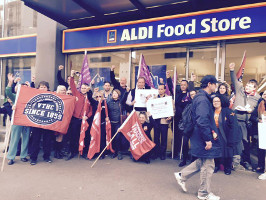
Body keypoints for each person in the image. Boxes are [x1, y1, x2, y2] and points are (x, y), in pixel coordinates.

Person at [174, 75, 222, 200]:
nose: (216, 86)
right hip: (202, 135)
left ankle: (182, 175)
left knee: (202, 161)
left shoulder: (201, 97)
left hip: (198, 134)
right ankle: (203, 193)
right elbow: (202, 120)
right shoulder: (202, 100)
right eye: (215, 84)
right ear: (210, 84)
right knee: (209, 164)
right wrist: (207, 139)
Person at [229, 62, 260, 170]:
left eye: (250, 86)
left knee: (245, 142)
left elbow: (257, 110)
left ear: (254, 89)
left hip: (245, 123)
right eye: (247, 85)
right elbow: (234, 80)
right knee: (232, 141)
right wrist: (232, 70)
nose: (247, 87)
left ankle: (246, 161)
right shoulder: (240, 89)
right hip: (234, 120)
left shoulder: (257, 97)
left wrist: (251, 110)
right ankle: (232, 162)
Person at [167, 72, 195, 159]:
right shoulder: (177, 94)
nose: (182, 86)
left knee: (184, 137)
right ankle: (175, 151)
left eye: (184, 85)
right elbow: (171, 88)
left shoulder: (189, 95)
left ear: (187, 86)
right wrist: (168, 78)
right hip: (176, 119)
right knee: (176, 136)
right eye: (181, 84)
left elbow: (192, 91)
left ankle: (184, 153)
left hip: (186, 120)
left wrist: (192, 81)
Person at [66, 70, 92, 160]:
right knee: (73, 136)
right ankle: (72, 152)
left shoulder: (89, 98)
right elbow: (72, 85)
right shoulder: (76, 93)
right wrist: (72, 76)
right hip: (75, 120)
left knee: (85, 136)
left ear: (88, 89)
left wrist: (87, 116)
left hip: (84, 120)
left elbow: (91, 110)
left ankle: (83, 152)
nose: (83, 89)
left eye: (85, 88)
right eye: (82, 88)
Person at [5, 73, 31, 165]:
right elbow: (8, 91)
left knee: (26, 138)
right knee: (14, 138)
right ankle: (11, 157)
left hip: (27, 120)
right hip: (17, 120)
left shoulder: (30, 98)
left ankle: (23, 156)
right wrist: (10, 82)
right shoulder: (15, 97)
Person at [212, 95, 240, 175]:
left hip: (226, 134)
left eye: (217, 101)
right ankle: (216, 165)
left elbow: (233, 125)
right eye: (214, 101)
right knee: (216, 150)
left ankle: (227, 167)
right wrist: (213, 132)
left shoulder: (228, 111)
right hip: (215, 133)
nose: (215, 103)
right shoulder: (212, 111)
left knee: (228, 151)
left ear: (221, 102)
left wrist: (232, 138)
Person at [30, 81, 54, 165]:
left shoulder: (53, 96)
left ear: (47, 88)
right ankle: (33, 158)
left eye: (44, 87)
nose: (43, 88)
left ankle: (46, 157)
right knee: (35, 140)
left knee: (47, 141)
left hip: (47, 122)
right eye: (41, 87)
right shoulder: (34, 96)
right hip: (36, 122)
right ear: (38, 88)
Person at [151, 84, 174, 160]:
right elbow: (151, 108)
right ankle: (156, 153)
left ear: (164, 90)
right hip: (156, 121)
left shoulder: (168, 99)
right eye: (159, 89)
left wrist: (171, 116)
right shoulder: (154, 98)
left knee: (164, 138)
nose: (160, 90)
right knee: (156, 138)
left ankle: (162, 154)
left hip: (164, 121)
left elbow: (173, 110)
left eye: (161, 89)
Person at [107, 89, 129, 160]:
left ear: (118, 95)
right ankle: (114, 152)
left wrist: (126, 92)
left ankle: (119, 152)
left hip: (118, 123)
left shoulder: (120, 103)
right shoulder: (109, 102)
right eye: (113, 93)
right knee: (112, 138)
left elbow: (124, 98)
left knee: (118, 138)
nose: (114, 94)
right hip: (111, 123)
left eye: (116, 93)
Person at [250, 90, 266, 175]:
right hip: (262, 129)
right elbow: (252, 117)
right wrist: (258, 120)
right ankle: (261, 166)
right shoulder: (260, 105)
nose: (265, 95)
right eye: (264, 94)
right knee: (261, 150)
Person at [54, 85, 67, 159]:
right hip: (56, 120)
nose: (63, 91)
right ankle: (56, 152)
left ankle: (59, 151)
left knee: (61, 136)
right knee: (57, 136)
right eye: (62, 90)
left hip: (64, 120)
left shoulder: (67, 98)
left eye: (64, 90)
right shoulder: (56, 98)